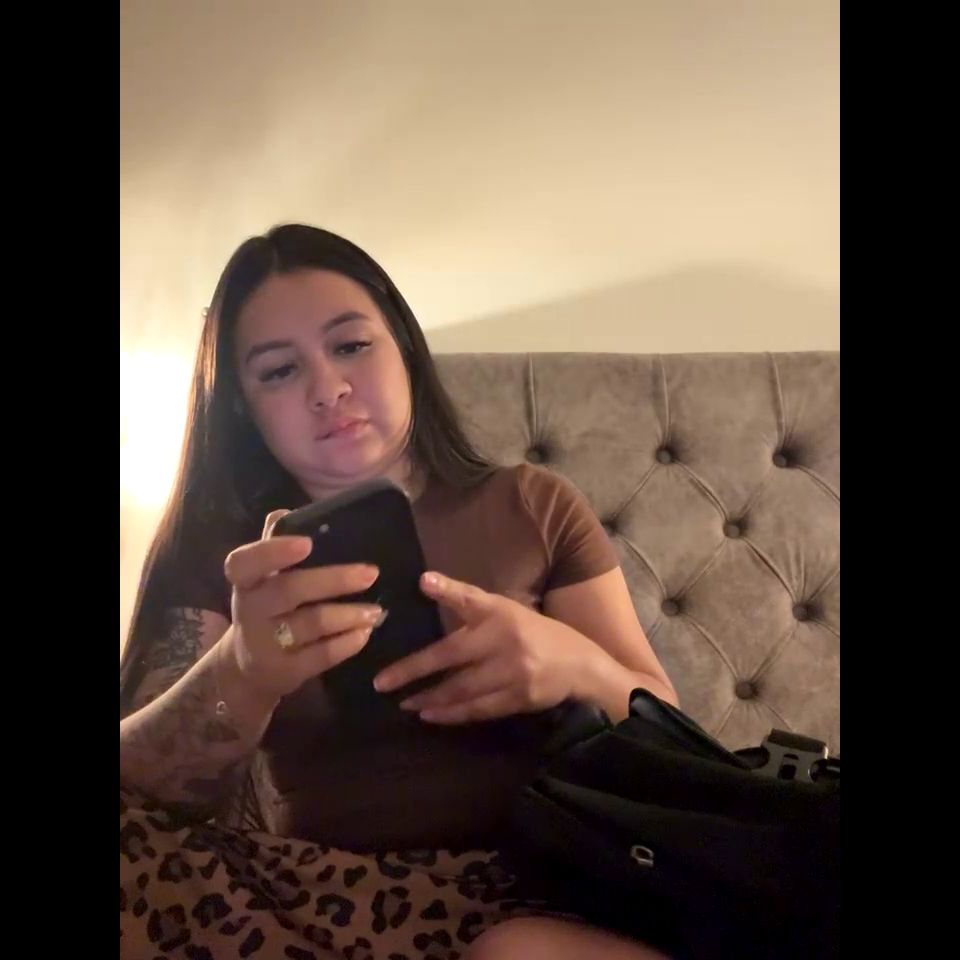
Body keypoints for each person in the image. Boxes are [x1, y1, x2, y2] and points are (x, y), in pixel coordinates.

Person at [119, 224, 678, 959]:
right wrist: (243, 670)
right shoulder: (222, 551)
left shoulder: (531, 504)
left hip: (551, 876)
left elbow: (667, 728)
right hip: (320, 903)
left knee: (520, 952)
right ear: (244, 408)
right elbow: (143, 787)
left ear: (405, 348)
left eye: (352, 345)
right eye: (279, 371)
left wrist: (571, 663)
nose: (328, 389)